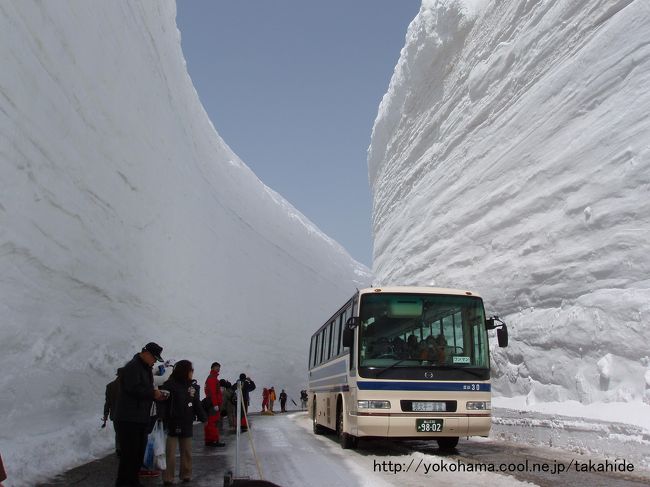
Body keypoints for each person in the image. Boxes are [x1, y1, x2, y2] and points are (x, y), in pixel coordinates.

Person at [114, 342, 167, 487]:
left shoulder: (145, 368)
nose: (155, 361)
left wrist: (156, 395)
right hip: (128, 419)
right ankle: (123, 483)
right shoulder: (133, 367)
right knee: (129, 456)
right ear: (146, 353)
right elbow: (134, 389)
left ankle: (133, 482)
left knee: (137, 455)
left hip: (140, 418)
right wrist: (153, 393)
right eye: (154, 358)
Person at [159, 360, 206, 485]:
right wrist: (161, 418)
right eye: (191, 370)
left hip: (186, 422)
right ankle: (168, 477)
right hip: (172, 422)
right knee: (170, 453)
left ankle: (186, 474)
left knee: (187, 451)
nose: (192, 372)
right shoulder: (169, 385)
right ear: (185, 371)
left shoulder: (192, 386)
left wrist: (203, 417)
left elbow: (196, 403)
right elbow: (163, 403)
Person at [103, 367, 124, 456]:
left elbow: (107, 402)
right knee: (125, 432)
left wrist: (105, 414)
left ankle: (119, 449)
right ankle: (123, 449)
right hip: (126, 414)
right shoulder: (126, 386)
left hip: (115, 415)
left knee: (118, 432)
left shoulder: (110, 386)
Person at [204, 362, 224, 447]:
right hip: (213, 404)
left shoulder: (212, 378)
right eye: (216, 367)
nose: (218, 369)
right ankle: (214, 440)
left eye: (219, 367)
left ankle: (209, 440)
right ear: (212, 368)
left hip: (211, 403)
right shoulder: (213, 378)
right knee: (213, 422)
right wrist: (215, 404)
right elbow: (212, 392)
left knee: (210, 422)